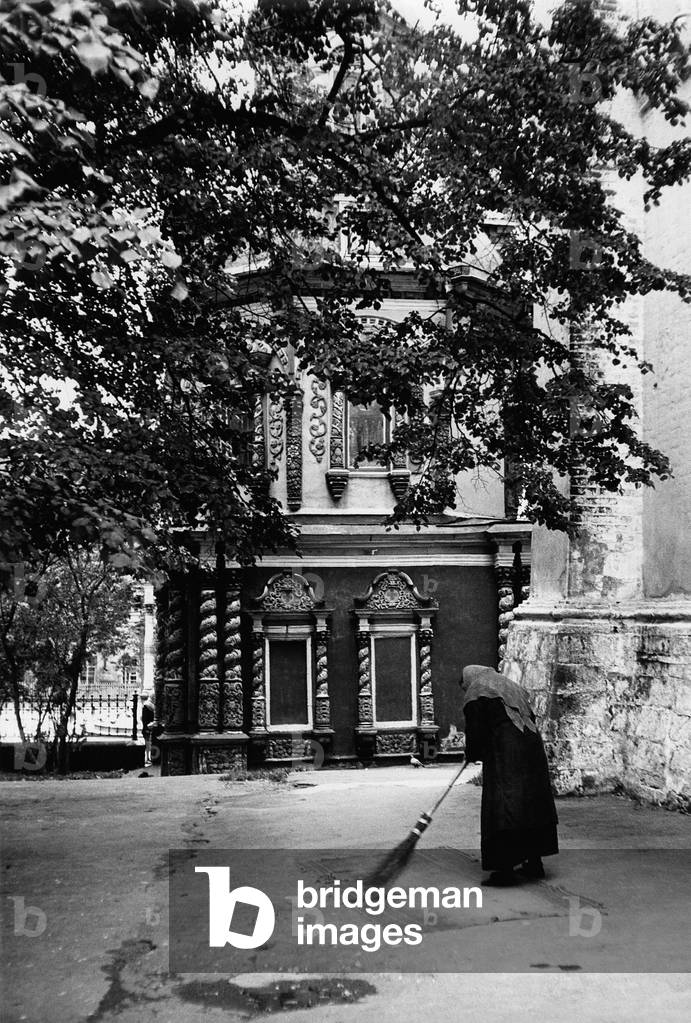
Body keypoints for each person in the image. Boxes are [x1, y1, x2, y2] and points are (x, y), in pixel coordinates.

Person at [460, 664, 558, 886]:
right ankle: (534, 863)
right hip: (531, 748)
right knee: (530, 802)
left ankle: (505, 870)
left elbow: (475, 729)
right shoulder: (510, 685)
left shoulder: (476, 691)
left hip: (506, 752)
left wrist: (472, 753)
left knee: (504, 806)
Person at [140, 691, 156, 767]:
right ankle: (148, 758)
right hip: (148, 727)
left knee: (149, 744)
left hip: (149, 727)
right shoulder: (148, 706)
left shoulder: (149, 705)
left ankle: (149, 758)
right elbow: (144, 718)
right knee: (148, 744)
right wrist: (147, 727)